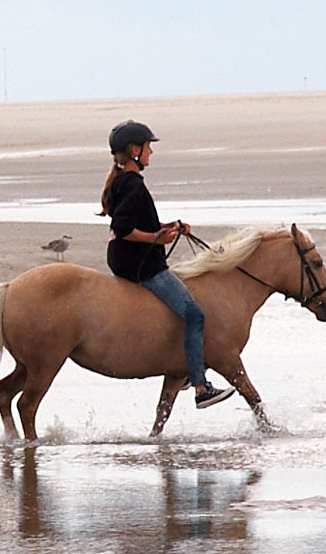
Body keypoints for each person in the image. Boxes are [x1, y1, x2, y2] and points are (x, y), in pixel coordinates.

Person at [100, 120, 238, 409]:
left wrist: (169, 227)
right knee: (195, 315)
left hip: (127, 257)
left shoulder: (123, 181)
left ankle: (187, 367)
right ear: (135, 151)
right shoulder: (133, 185)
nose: (151, 152)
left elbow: (138, 222)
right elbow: (123, 228)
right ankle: (200, 386)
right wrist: (157, 238)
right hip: (139, 264)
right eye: (148, 147)